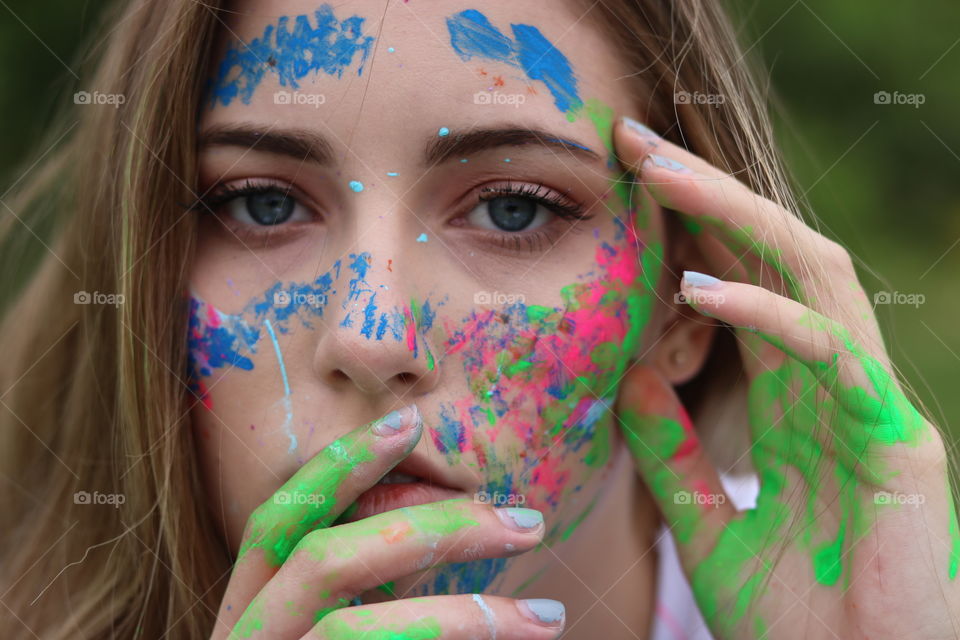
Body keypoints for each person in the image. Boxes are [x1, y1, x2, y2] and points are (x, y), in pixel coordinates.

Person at [1, 1, 957, 638]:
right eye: (261, 204)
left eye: (513, 208)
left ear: (691, 296)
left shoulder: (884, 606)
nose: (372, 339)